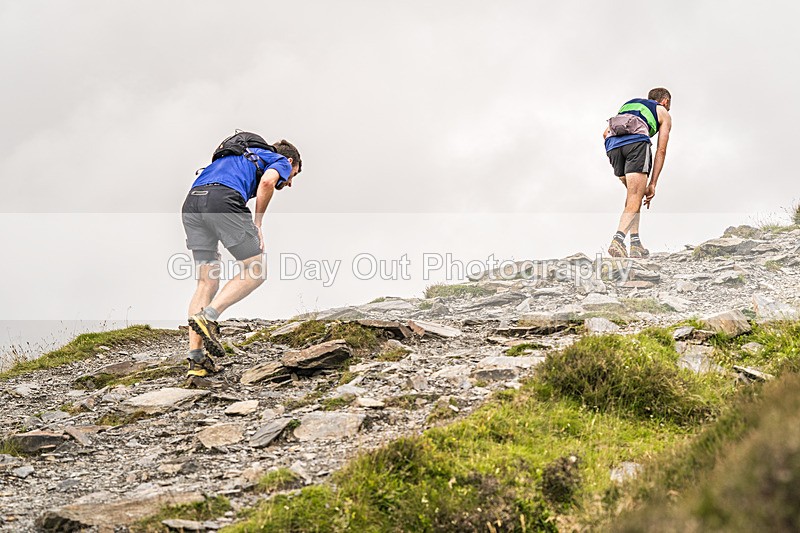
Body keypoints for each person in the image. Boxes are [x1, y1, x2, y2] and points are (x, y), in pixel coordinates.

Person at [181, 136, 302, 377]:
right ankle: (209, 317)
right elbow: (268, 182)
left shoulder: (235, 156)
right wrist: (258, 223)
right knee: (256, 271)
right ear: (290, 161)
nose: (289, 182)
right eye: (293, 175)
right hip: (222, 200)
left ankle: (196, 360)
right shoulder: (279, 159)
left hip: (192, 202)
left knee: (206, 282)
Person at [603, 88, 672, 258]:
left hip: (613, 147)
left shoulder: (629, 104)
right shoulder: (662, 111)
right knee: (635, 195)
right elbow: (661, 150)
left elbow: (605, 133)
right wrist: (653, 183)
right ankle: (618, 241)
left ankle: (635, 243)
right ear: (665, 101)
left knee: (634, 195)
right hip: (636, 145)